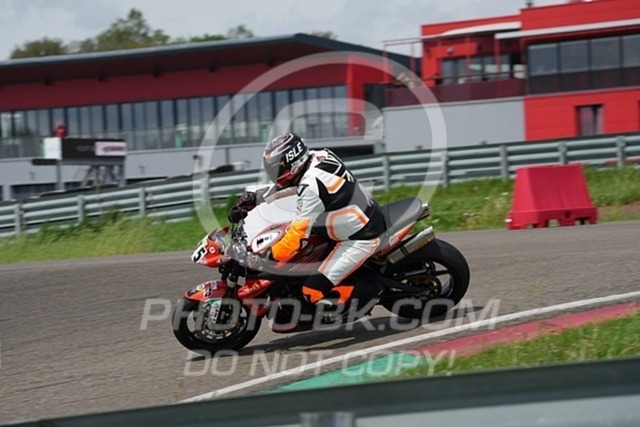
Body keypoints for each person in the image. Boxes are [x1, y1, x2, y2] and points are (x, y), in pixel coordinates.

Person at [230, 133, 386, 306]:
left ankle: (368, 295)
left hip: (359, 236)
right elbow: (293, 185)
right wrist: (256, 198)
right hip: (341, 222)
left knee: (312, 291)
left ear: (293, 162)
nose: (273, 173)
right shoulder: (318, 156)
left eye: (277, 168)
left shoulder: (311, 187)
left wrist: (264, 257)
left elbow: (296, 237)